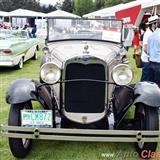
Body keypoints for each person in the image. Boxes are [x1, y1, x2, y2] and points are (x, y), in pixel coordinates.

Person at [140, 15, 158, 81]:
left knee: (149, 78)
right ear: (153, 24)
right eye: (157, 23)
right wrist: (151, 57)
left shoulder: (151, 32)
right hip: (147, 60)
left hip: (149, 60)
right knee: (145, 79)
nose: (158, 24)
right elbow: (145, 48)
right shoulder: (149, 33)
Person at [147, 17, 160, 86]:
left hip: (151, 63)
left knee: (152, 86)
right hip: (158, 63)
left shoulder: (151, 35)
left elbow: (148, 51)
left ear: (157, 24)